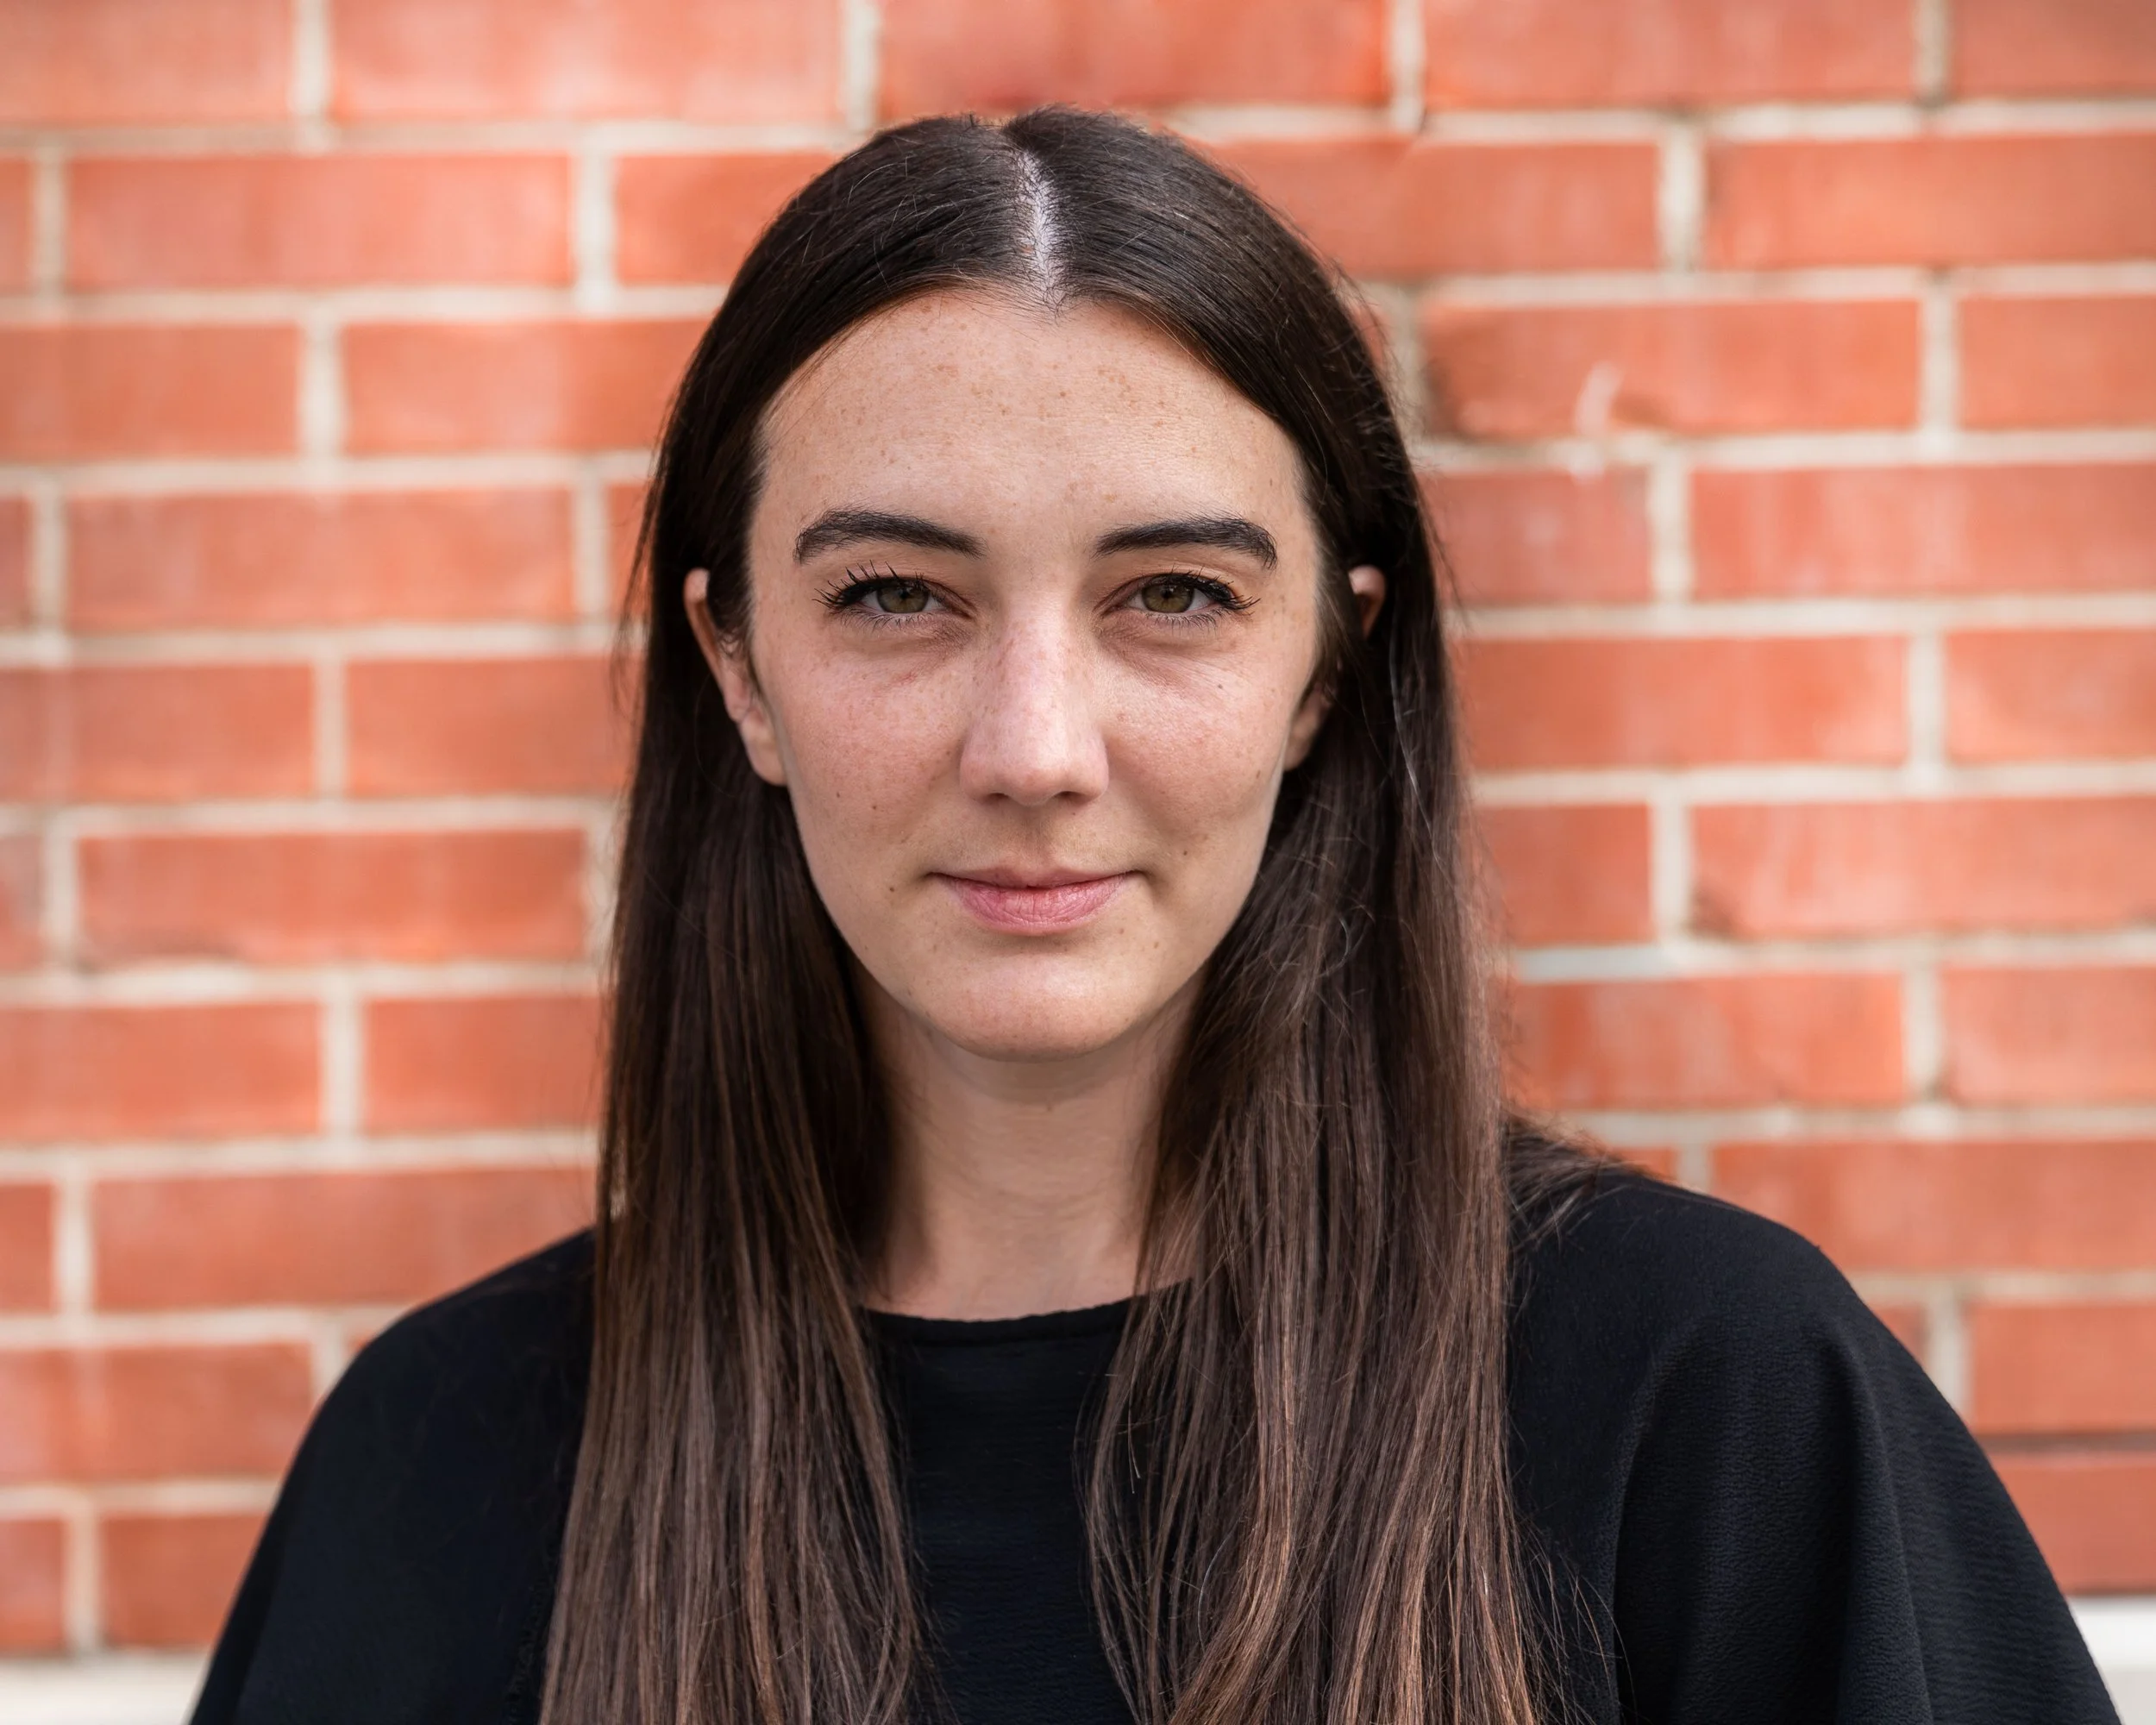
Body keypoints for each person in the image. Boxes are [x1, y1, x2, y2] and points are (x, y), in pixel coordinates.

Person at [189, 108, 2116, 1725]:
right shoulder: (441, 1465)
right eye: (892, 597)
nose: (1033, 746)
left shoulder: (1701, 1404)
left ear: (1323, 670)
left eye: (1172, 593)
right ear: (738, 668)